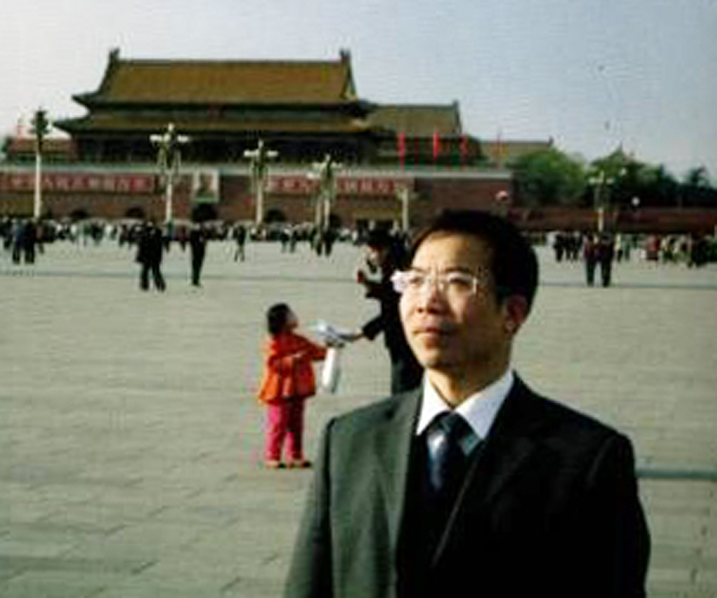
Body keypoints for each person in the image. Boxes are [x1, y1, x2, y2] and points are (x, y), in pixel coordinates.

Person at [285, 210, 650, 598]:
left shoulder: (586, 461)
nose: (426, 302)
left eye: (457, 281)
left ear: (512, 313)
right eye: (415, 280)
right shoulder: (349, 440)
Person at [257, 303, 328, 469]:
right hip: (278, 391)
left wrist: (331, 347)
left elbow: (316, 352)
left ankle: (296, 455)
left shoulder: (300, 340)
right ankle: (273, 455)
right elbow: (273, 363)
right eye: (291, 315)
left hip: (297, 390)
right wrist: (293, 359)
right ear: (282, 322)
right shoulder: (274, 342)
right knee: (278, 423)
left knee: (297, 424)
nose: (295, 317)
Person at [352, 228, 423, 394]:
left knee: (403, 389)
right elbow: (389, 294)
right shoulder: (393, 266)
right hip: (400, 339)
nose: (369, 257)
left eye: (371, 252)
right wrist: (367, 283)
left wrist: (363, 332)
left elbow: (395, 310)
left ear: (384, 250)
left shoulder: (400, 270)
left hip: (405, 340)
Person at [135, 221, 166, 291]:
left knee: (150, 272)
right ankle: (156, 285)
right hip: (151, 256)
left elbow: (141, 246)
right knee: (152, 271)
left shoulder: (147, 235)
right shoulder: (154, 234)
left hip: (150, 256)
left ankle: (156, 285)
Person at [189, 223, 208, 287]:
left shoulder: (196, 234)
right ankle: (195, 280)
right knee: (197, 266)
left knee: (196, 266)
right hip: (198, 252)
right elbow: (201, 243)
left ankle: (195, 279)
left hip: (197, 252)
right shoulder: (199, 234)